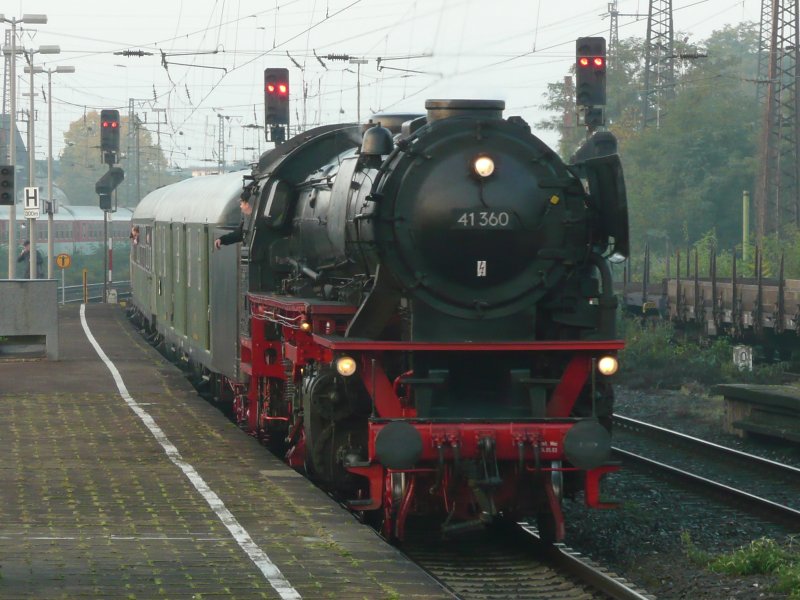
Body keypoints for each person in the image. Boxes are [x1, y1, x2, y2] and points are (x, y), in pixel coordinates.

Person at [214, 185, 254, 249]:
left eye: (241, 204)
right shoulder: (246, 220)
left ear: (247, 204)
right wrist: (222, 240)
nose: (240, 206)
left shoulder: (256, 220)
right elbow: (238, 234)